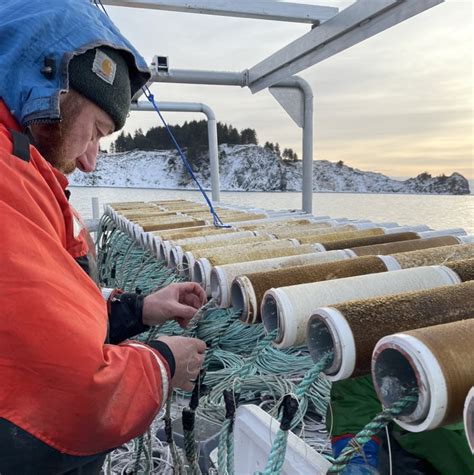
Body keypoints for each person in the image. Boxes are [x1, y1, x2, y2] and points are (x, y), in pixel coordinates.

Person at [0, 1, 208, 473]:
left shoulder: (23, 170)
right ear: (47, 86)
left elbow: (39, 319)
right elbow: (61, 398)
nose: (91, 160)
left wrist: (138, 310)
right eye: (95, 131)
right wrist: (161, 364)